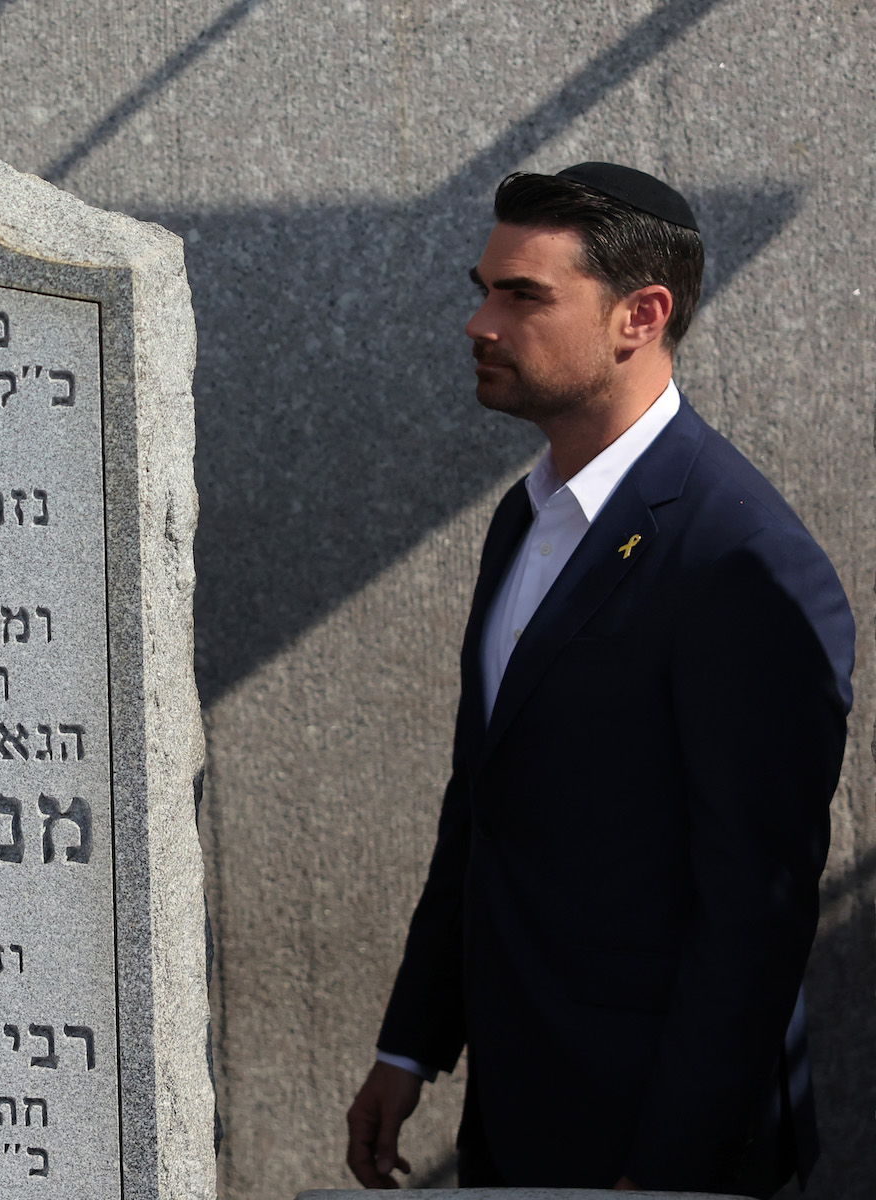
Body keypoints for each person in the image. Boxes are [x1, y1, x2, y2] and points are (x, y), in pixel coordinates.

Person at [344, 164, 853, 1193]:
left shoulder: (739, 560)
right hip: (518, 1117)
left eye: (523, 295)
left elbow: (755, 912)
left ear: (641, 315)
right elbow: (482, 807)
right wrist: (411, 1046)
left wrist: (663, 1171)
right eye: (482, 288)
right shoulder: (524, 520)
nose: (480, 323)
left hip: (661, 1149)